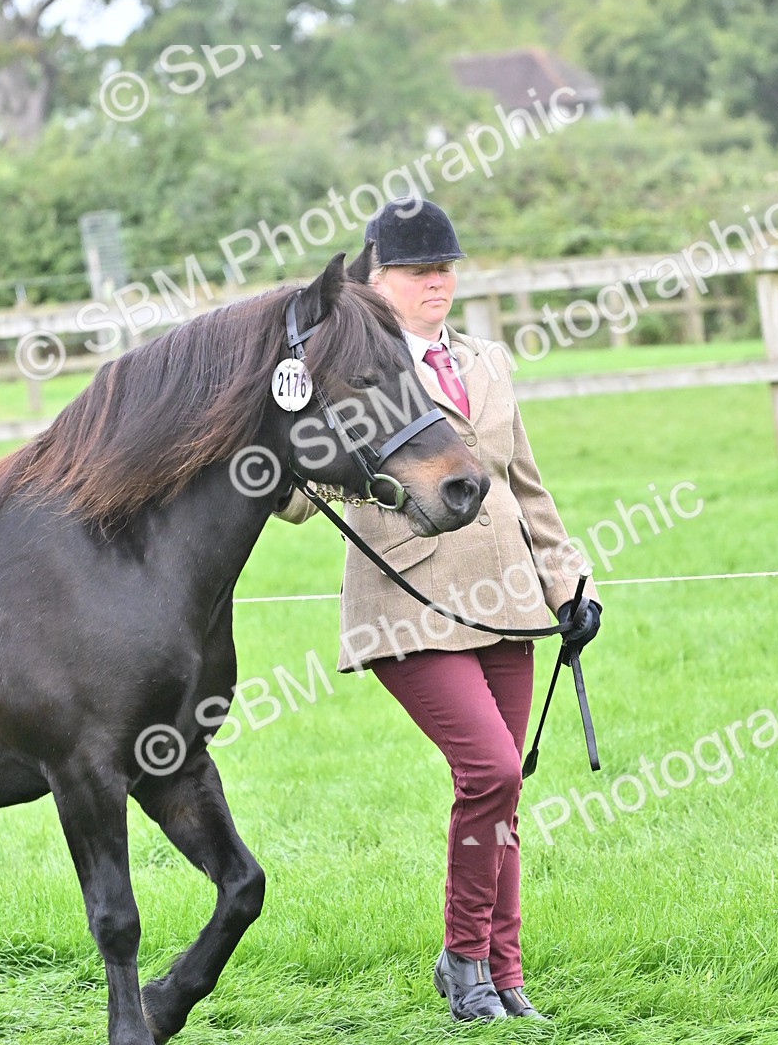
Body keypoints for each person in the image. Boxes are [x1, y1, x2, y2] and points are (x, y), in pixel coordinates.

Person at [277, 198, 602, 1022]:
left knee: (503, 794)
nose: (438, 283)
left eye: (446, 268)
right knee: (489, 771)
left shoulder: (488, 362)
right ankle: (463, 961)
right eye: (420, 271)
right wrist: (280, 432)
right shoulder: (351, 368)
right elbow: (299, 499)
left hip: (510, 600)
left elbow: (526, 484)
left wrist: (571, 584)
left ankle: (505, 972)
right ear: (376, 281)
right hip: (409, 605)